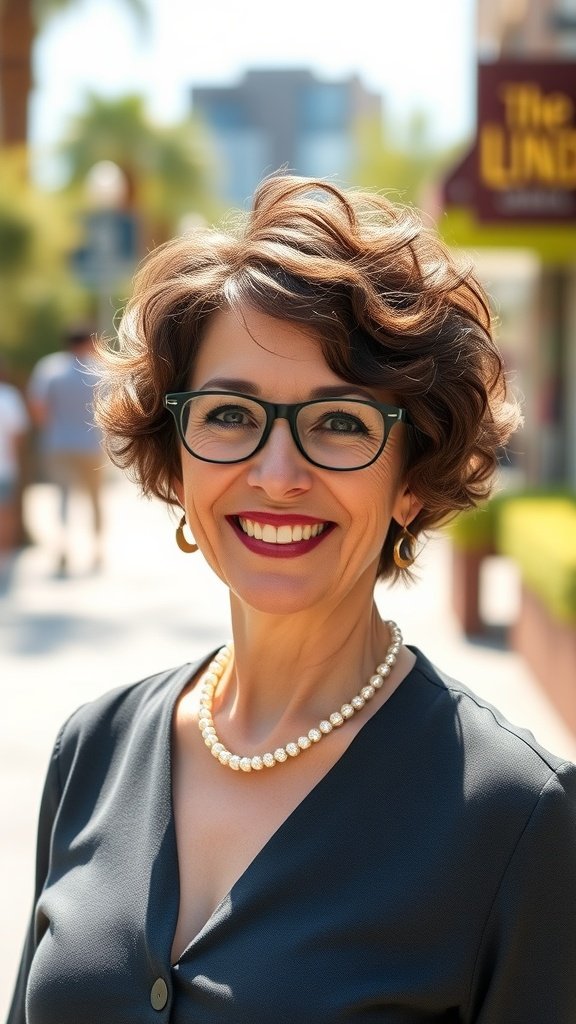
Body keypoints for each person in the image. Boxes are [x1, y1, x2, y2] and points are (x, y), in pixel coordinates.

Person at [8, 174, 576, 1024]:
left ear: (411, 483)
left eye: (341, 422)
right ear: (180, 454)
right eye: (231, 414)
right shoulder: (93, 748)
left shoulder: (517, 820)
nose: (277, 476)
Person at [27, 325, 104, 575]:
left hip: (59, 443)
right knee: (95, 499)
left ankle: (63, 549)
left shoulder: (50, 368)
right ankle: (97, 549)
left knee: (62, 499)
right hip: (93, 444)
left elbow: (38, 407)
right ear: (89, 342)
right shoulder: (99, 369)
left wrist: (52, 429)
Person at [0, 365, 29, 557]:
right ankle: (4, 555)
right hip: (5, 465)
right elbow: (18, 435)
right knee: (6, 512)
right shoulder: (9, 397)